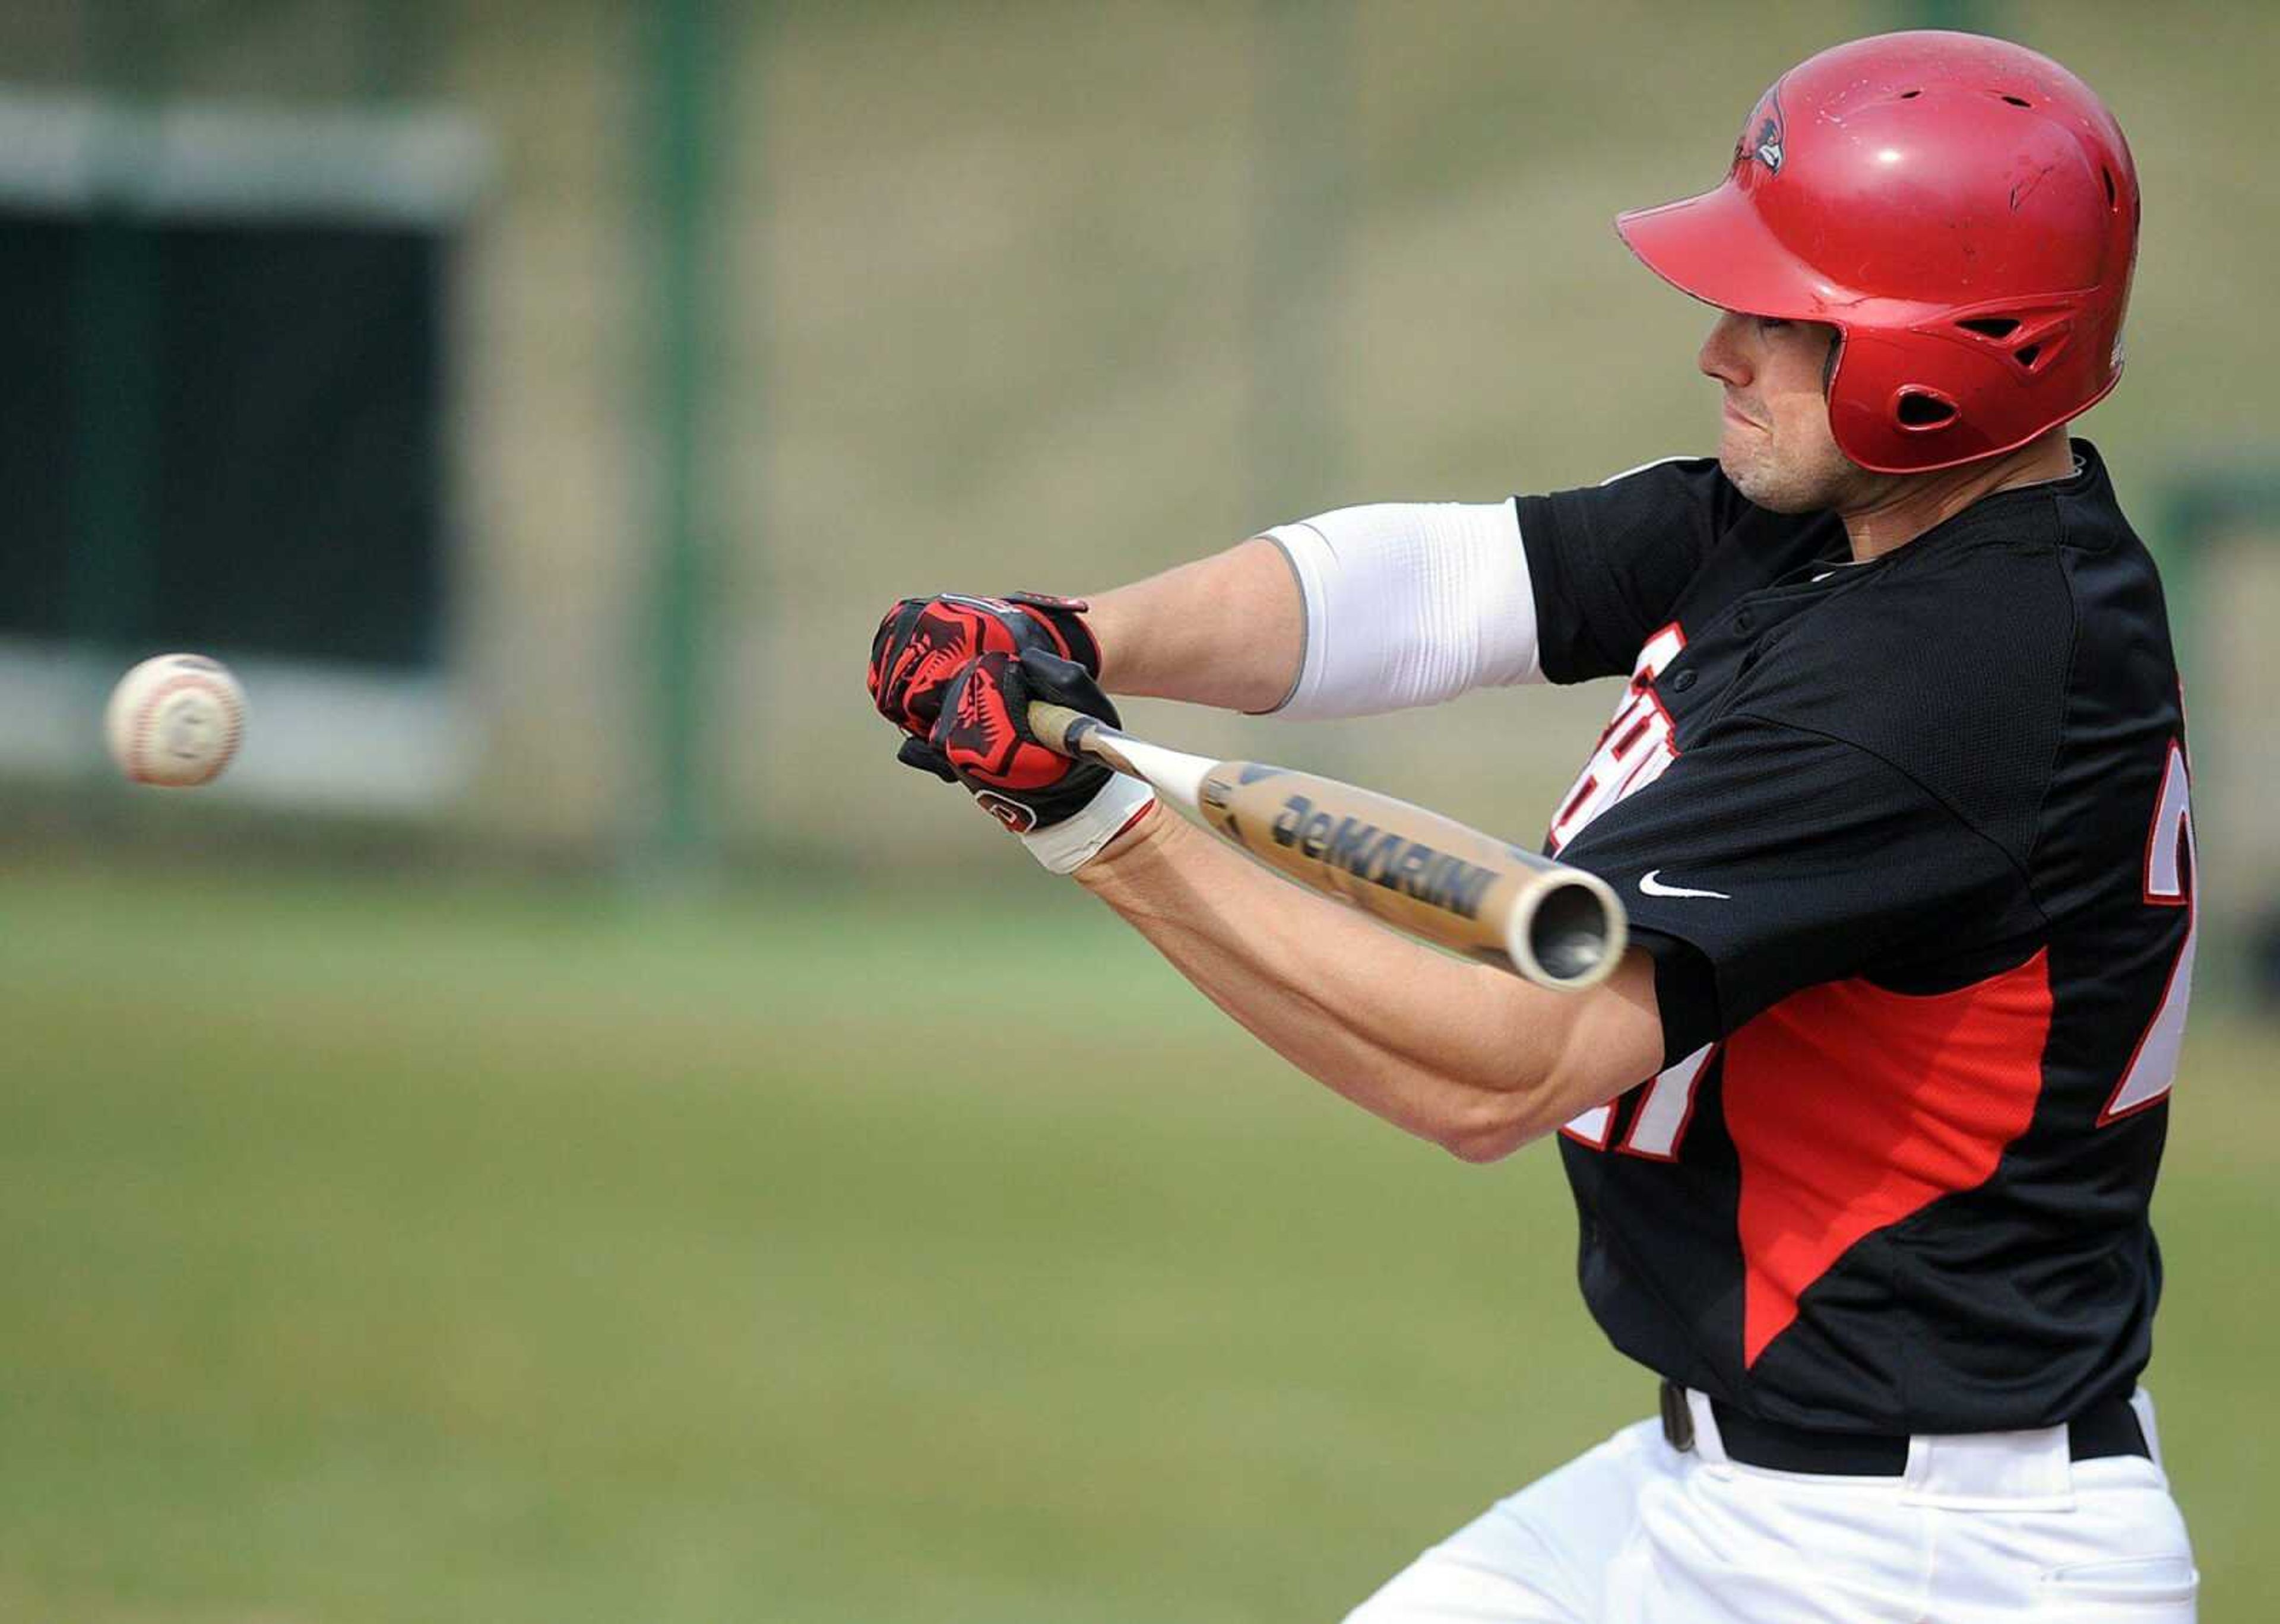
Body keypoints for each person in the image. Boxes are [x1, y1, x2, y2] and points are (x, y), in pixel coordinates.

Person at [867, 30, 2199, 1622]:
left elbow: (1498, 1061)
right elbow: (1436, 585)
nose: (1718, 348)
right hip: (1738, 1491)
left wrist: (1097, 824)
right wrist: (1068, 645)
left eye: (1779, 318)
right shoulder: (1849, 524)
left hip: (1920, 1565)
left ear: (1945, 356)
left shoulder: (1941, 680)